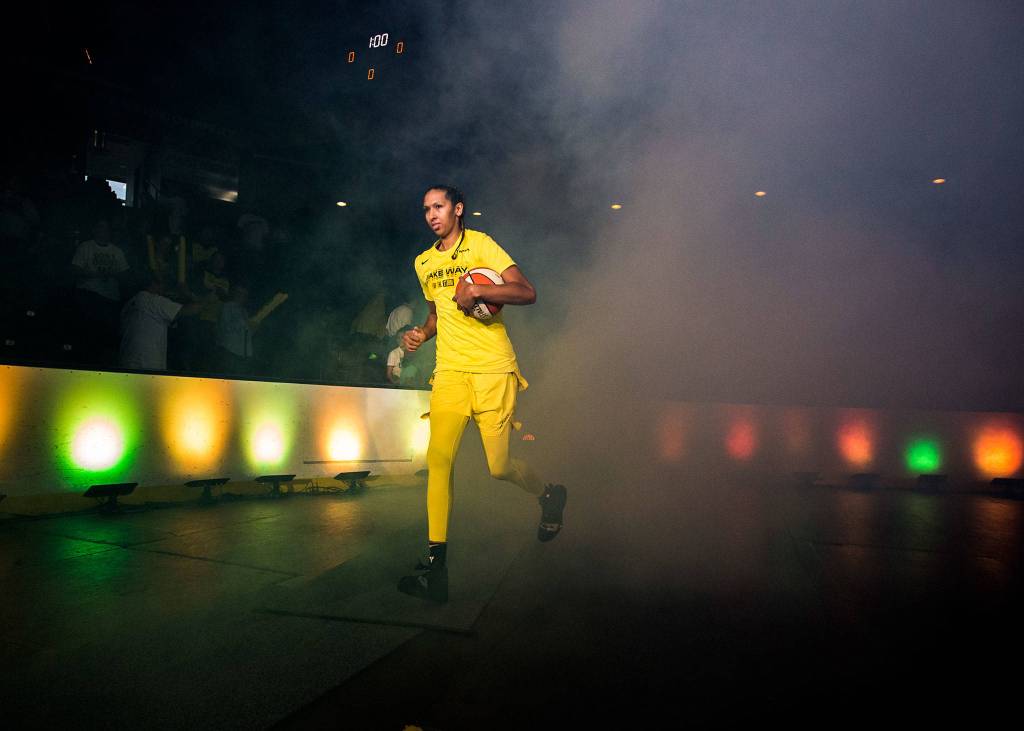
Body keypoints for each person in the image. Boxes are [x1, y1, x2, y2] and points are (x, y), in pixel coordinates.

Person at [397, 185, 567, 603]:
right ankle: (436, 571)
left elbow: (527, 292)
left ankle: (550, 495)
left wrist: (481, 291)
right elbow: (436, 312)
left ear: (458, 209)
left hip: (493, 371)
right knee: (438, 461)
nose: (431, 215)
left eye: (438, 207)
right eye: (425, 210)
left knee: (499, 466)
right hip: (451, 372)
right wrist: (420, 333)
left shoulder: (482, 245)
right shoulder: (423, 262)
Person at [119, 275, 200, 371]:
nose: (164, 288)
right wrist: (187, 293)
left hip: (127, 362)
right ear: (153, 284)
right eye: (162, 284)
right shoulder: (152, 300)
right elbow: (192, 309)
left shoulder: (130, 304)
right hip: (147, 363)